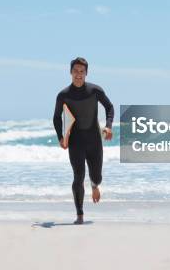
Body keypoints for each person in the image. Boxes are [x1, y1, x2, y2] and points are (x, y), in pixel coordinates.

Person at [53, 57, 114, 224]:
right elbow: (56, 118)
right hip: (76, 141)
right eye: (75, 71)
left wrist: (108, 126)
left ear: (86, 73)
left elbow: (109, 107)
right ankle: (79, 214)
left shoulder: (95, 91)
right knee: (78, 176)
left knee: (97, 176)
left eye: (81, 71)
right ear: (70, 72)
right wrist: (60, 137)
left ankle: (95, 186)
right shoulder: (64, 95)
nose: (78, 74)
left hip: (94, 138)